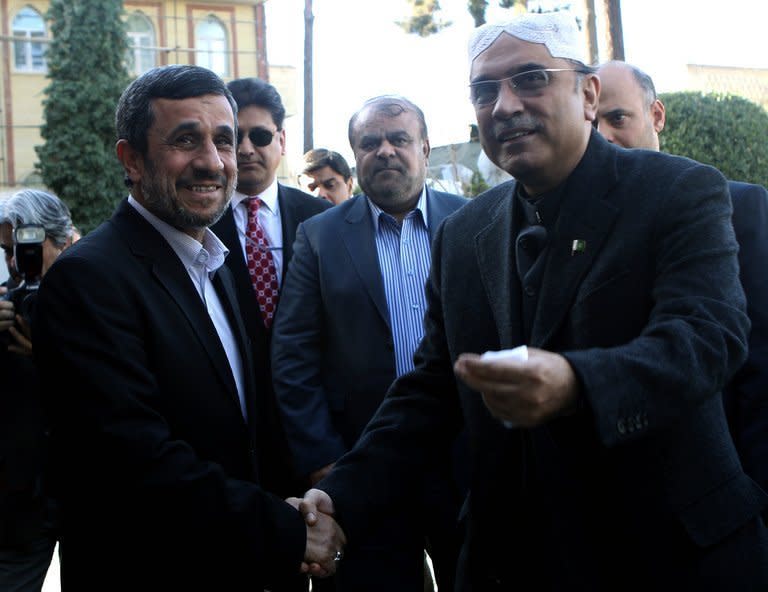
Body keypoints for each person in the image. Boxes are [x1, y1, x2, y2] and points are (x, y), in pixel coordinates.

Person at [297, 11, 768, 591]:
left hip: (665, 556)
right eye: (483, 90)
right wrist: (340, 497)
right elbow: (433, 390)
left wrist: (577, 383)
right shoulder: (465, 233)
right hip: (511, 561)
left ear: (588, 93)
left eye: (531, 78)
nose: (505, 105)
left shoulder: (679, 191)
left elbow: (707, 338)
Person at [33, 64, 344, 591]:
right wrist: (287, 530)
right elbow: (135, 463)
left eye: (223, 140)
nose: (213, 161)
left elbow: (240, 422)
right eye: (185, 140)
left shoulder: (212, 260)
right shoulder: (88, 279)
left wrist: (299, 501)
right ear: (130, 159)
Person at [272, 95, 467, 592]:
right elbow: (293, 354)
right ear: (355, 156)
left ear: (424, 147)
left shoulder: (473, 221)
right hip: (361, 465)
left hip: (463, 460)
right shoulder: (319, 235)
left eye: (398, 139)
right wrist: (324, 461)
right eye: (369, 143)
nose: (385, 151)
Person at [596, 59, 768, 499]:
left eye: (618, 118)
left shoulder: (740, 207)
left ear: (656, 116)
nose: (603, 137)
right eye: (591, 123)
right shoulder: (579, 235)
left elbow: (761, 366)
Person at [210, 78, 331, 503]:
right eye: (232, 137)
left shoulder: (324, 220)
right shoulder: (198, 227)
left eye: (259, 136)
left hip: (325, 438)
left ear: (281, 139)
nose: (245, 149)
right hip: (240, 447)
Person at [0, 189, 74, 592]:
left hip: (92, 498)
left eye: (26, 247)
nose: (15, 262)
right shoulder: (6, 312)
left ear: (62, 240)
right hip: (19, 507)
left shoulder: (100, 301)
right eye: (7, 250)